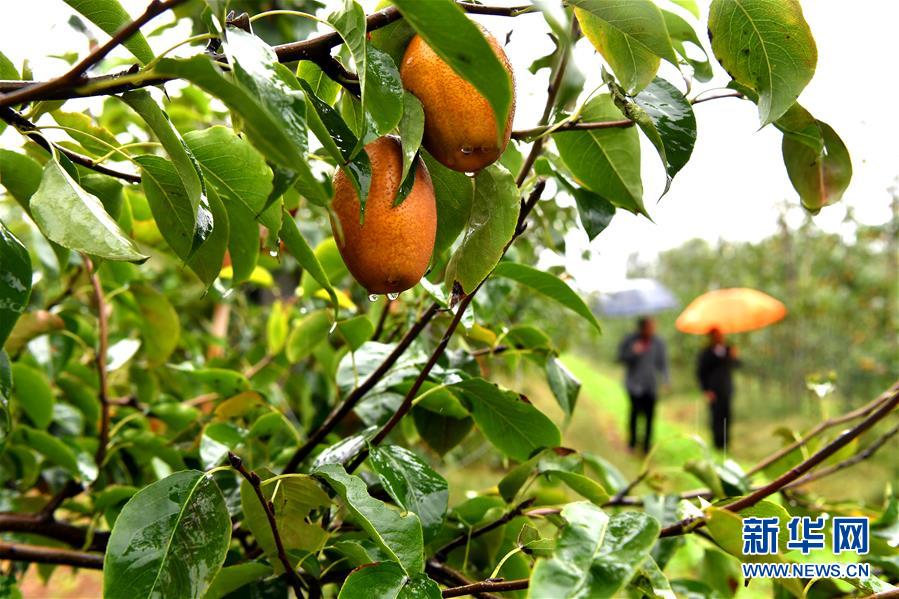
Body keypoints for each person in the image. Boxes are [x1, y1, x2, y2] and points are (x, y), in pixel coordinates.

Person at [617, 317, 669, 453]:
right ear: (642, 328)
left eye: (653, 327)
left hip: (651, 386)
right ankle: (632, 443)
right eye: (649, 327)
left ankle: (646, 446)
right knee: (634, 413)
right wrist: (633, 352)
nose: (652, 329)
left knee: (650, 416)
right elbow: (620, 358)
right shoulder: (630, 340)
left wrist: (666, 380)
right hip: (634, 385)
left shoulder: (658, 343)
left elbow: (663, 363)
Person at [697, 327, 741, 450]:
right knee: (716, 417)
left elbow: (737, 365)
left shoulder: (728, 350)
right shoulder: (706, 353)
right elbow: (701, 373)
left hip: (726, 389)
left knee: (727, 416)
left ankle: (726, 444)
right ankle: (717, 443)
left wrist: (735, 356)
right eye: (716, 336)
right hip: (713, 390)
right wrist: (706, 390)